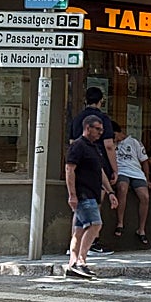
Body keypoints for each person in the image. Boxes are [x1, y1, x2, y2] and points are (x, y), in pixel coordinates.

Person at [65, 115, 118, 278]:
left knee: (79, 230)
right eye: (98, 129)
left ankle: (72, 265)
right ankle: (81, 261)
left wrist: (110, 192)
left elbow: (100, 172)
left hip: (93, 194)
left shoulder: (94, 147)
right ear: (88, 128)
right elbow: (69, 169)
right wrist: (72, 195)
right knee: (95, 224)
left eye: (102, 129)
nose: (101, 133)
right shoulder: (78, 146)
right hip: (83, 193)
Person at [68, 86, 117, 255]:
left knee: (80, 215)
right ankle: (90, 245)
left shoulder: (77, 119)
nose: (99, 132)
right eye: (98, 130)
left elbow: (71, 142)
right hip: (92, 169)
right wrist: (114, 169)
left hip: (81, 167)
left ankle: (74, 249)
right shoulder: (102, 119)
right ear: (101, 101)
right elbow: (109, 145)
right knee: (94, 212)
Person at [112, 122, 151, 247]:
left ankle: (141, 228)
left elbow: (144, 161)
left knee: (145, 196)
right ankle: (120, 222)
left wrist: (147, 178)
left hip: (136, 172)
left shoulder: (134, 142)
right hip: (121, 171)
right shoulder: (111, 144)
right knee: (122, 188)